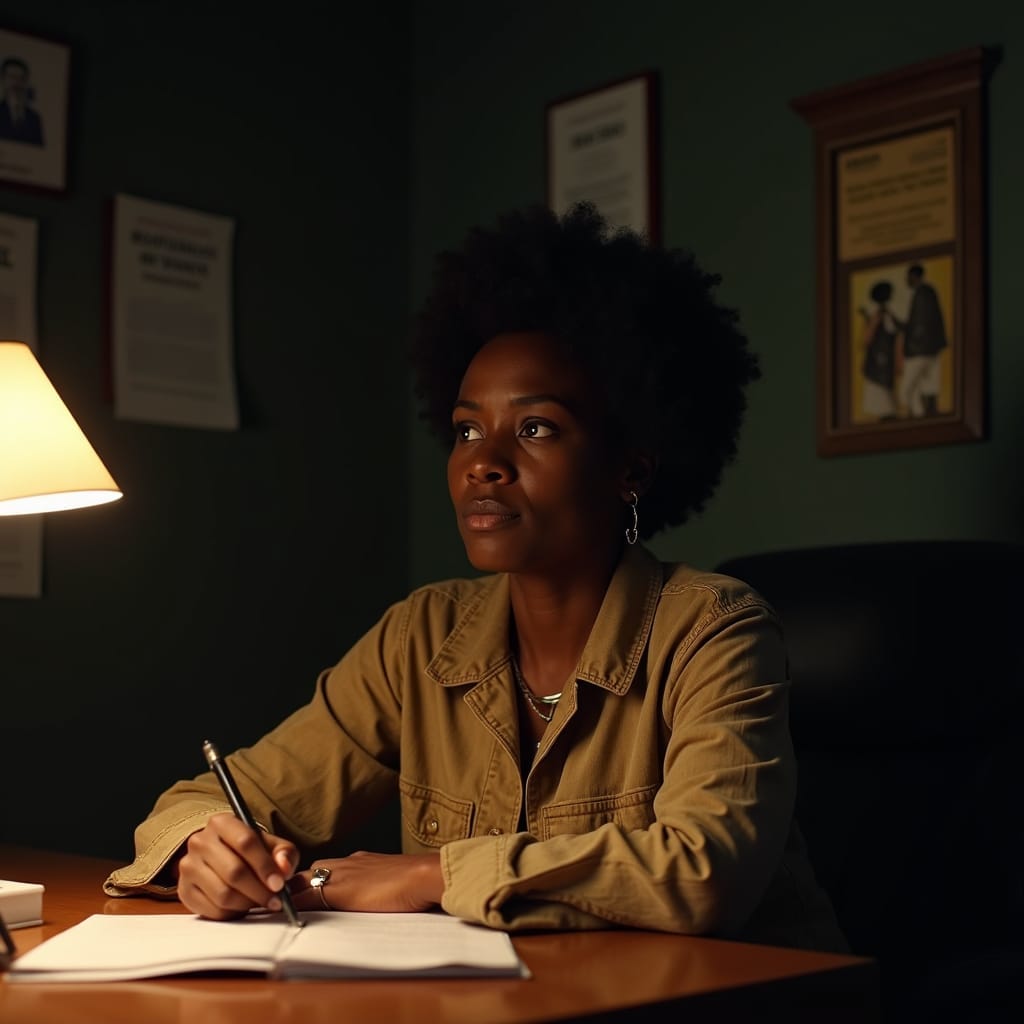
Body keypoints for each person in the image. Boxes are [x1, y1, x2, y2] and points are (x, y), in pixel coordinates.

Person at [105, 203, 846, 952]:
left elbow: (705, 871)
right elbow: (209, 798)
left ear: (630, 469)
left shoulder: (715, 627)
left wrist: (433, 875)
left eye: (535, 428)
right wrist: (207, 849)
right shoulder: (423, 636)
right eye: (466, 429)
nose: (483, 461)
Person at [898, 263, 947, 417]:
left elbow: (919, 325)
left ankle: (919, 416)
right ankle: (927, 415)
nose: (907, 279)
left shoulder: (922, 294)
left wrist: (911, 343)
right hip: (931, 348)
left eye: (909, 276)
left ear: (914, 276)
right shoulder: (929, 292)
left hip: (920, 350)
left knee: (907, 389)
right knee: (929, 385)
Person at [857, 280, 901, 419]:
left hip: (884, 364)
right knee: (881, 401)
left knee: (886, 401)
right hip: (876, 364)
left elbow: (897, 338)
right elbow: (866, 340)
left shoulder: (888, 316)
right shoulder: (878, 316)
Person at [0, 57, 44, 146]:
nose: (16, 83)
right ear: (3, 79)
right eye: (12, 77)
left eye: (21, 78)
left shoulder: (34, 119)